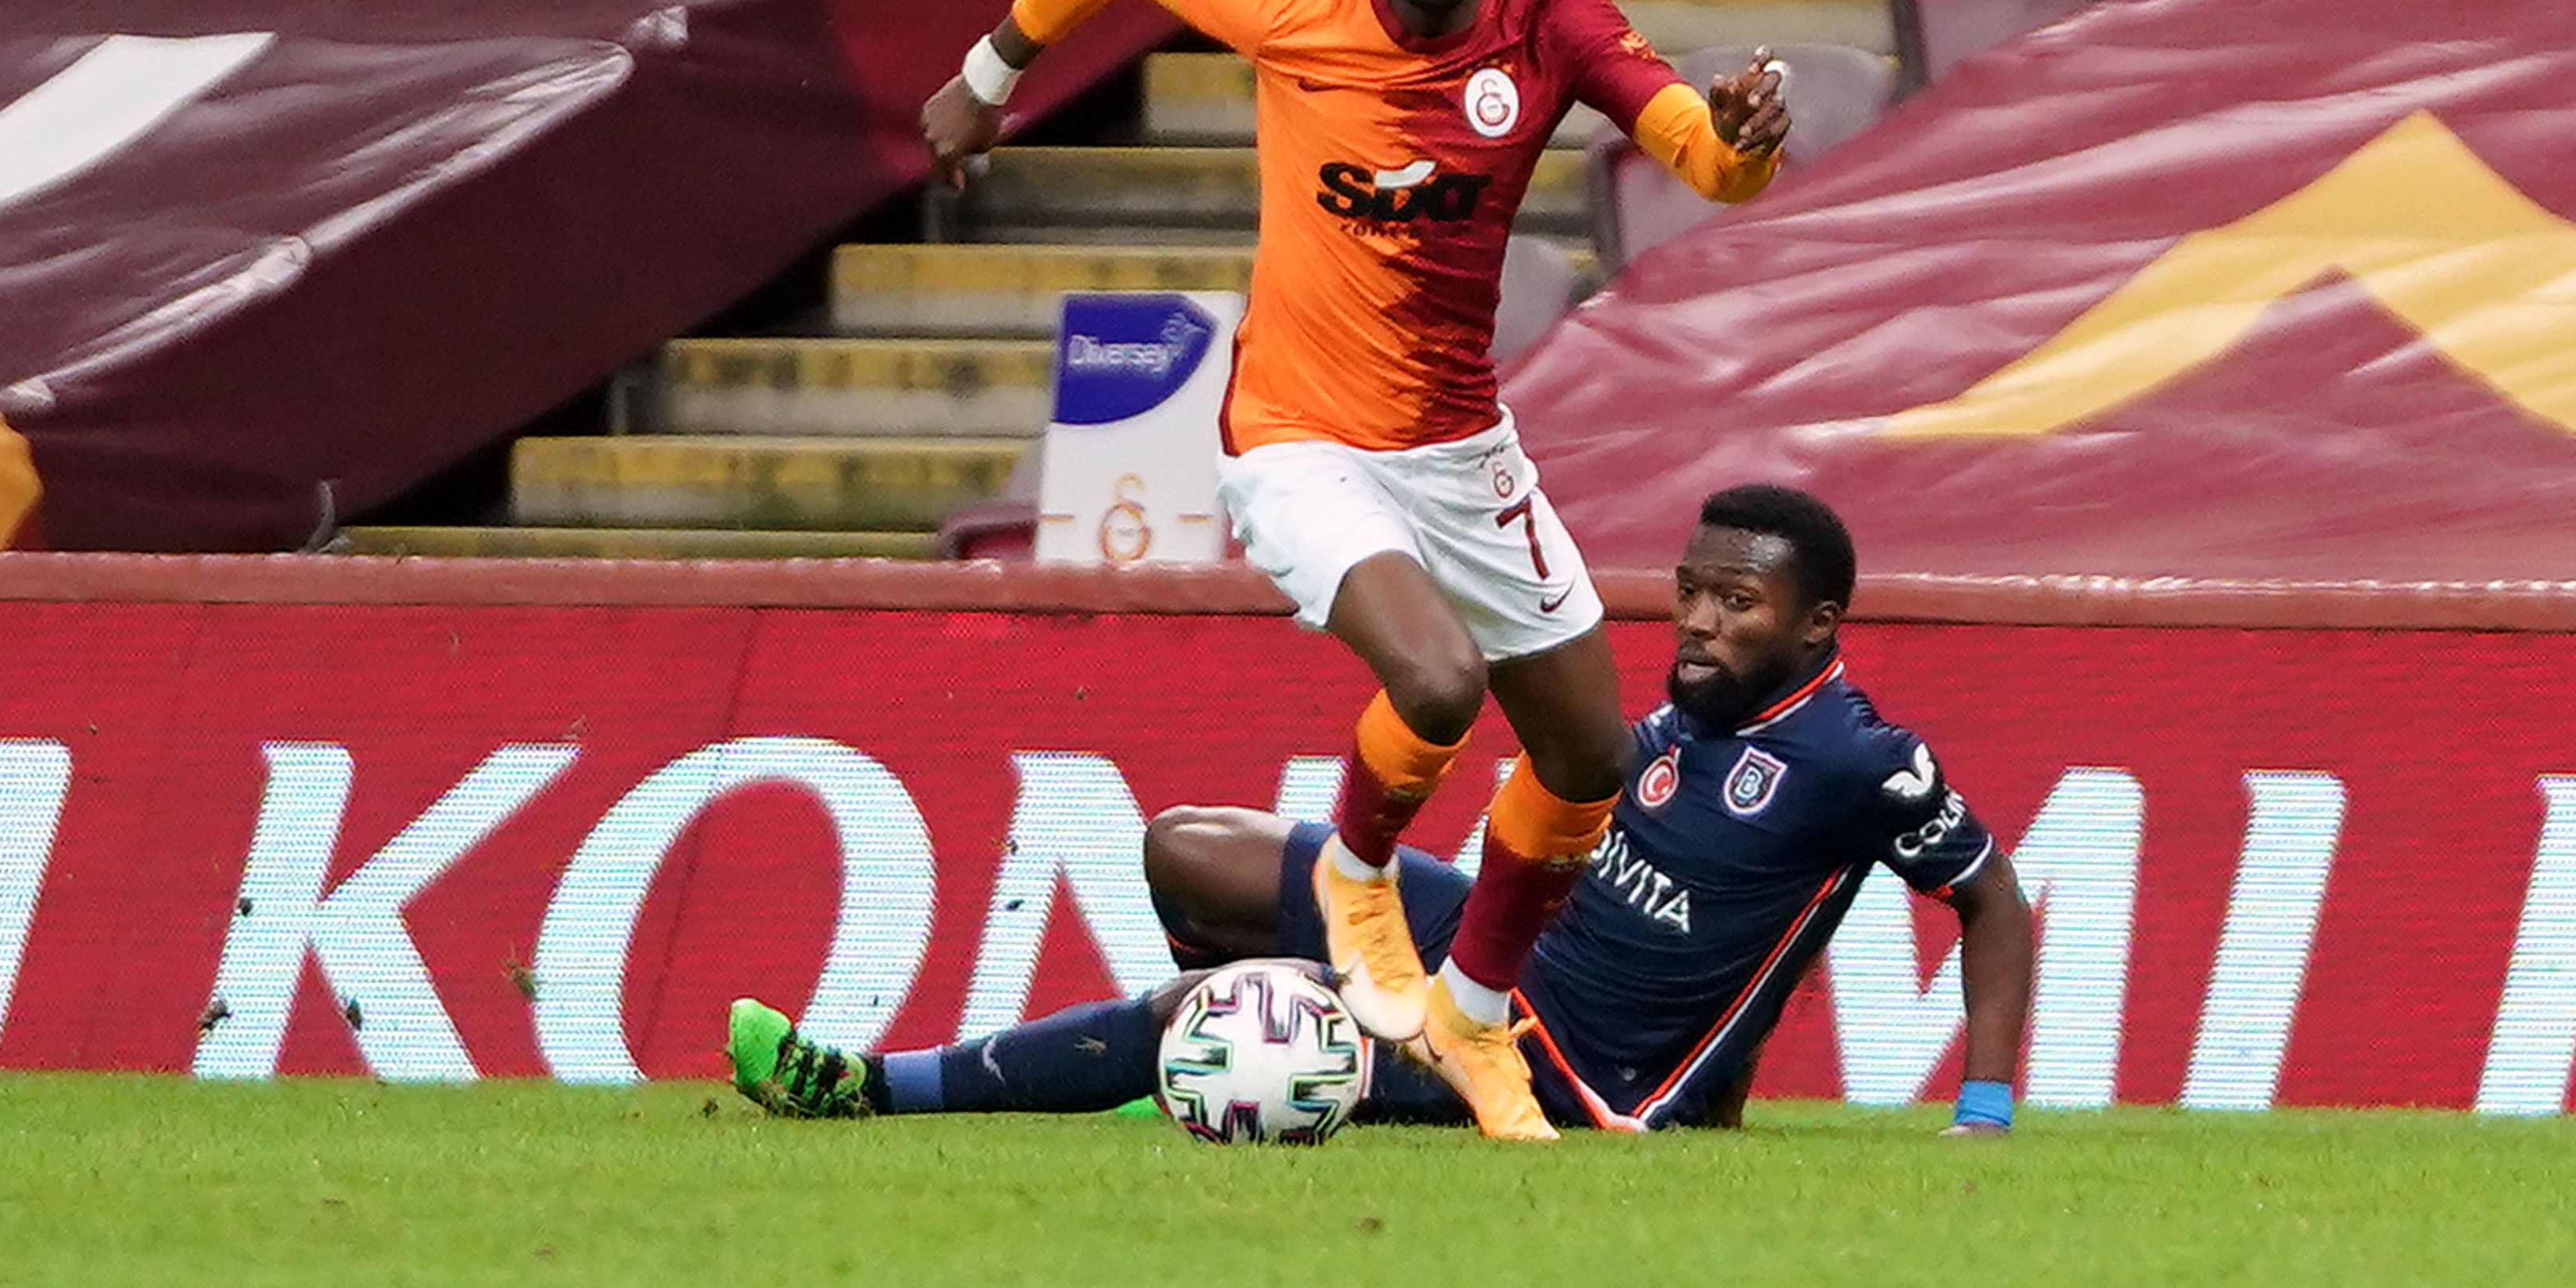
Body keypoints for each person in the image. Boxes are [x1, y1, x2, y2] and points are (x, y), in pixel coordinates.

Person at [916, 0, 1791, 1141]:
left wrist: (1734, 148)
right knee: (1436, 677)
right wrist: (989, 74)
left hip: (1458, 442)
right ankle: (1358, 874)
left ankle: (1473, 1014)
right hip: (1296, 434)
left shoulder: (1549, 13)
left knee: (1583, 756)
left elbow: (1685, 134)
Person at [729, 485, 2033, 1139]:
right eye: (1692, 590)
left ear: (1817, 625)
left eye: (1735, 605)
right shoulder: (1694, 709)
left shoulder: (1864, 760)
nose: (1697, 619)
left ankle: (869, 1089)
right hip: (1497, 945)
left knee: (1216, 1011)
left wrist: (1982, 1111)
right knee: (1185, 846)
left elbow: (1993, 899)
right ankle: (1211, 1081)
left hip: (1571, 1065)